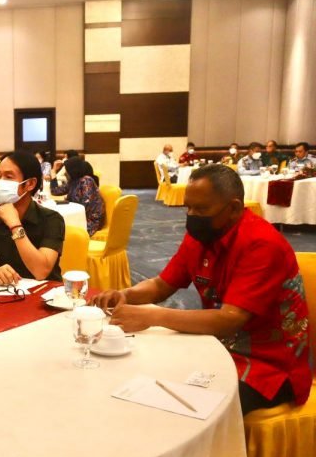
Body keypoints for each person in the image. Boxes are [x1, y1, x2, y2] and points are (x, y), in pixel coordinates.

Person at [92, 165, 311, 414]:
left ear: (234, 208)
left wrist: (152, 316)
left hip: (268, 366)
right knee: (138, 375)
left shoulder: (262, 244)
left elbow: (230, 319)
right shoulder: (202, 235)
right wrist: (125, 295)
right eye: (188, 208)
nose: (192, 216)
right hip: (216, 346)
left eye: (202, 209)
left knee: (179, 407)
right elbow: (161, 285)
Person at [0, 150, 65, 285]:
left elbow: (41, 272)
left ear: (30, 184)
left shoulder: (51, 219)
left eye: (8, 177)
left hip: (46, 291)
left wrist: (15, 225)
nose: (1, 182)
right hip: (9, 290)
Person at [51, 157, 104, 235]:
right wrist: (53, 171)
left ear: (73, 170)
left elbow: (86, 205)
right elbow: (55, 191)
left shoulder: (86, 180)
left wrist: (69, 202)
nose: (66, 173)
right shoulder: (74, 181)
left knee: (59, 229)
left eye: (67, 170)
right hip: (79, 217)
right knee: (54, 225)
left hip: (89, 221)